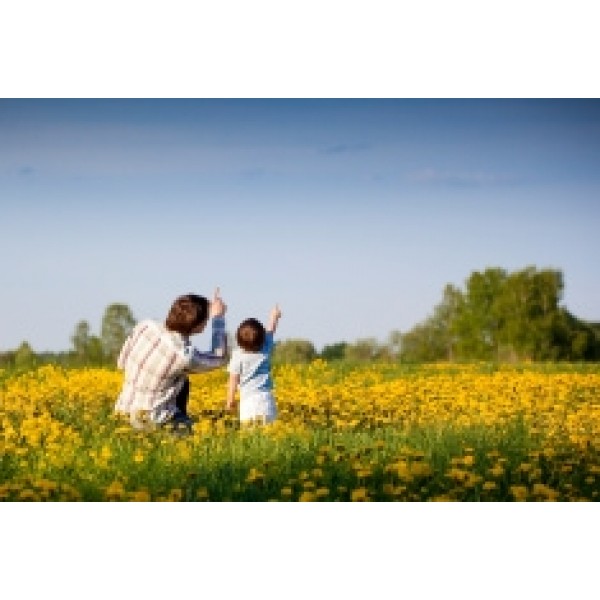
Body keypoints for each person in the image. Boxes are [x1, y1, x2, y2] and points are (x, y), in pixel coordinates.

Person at [115, 289, 228, 430]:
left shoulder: (145, 326)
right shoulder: (183, 355)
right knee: (202, 434)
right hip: (149, 420)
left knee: (182, 380)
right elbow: (219, 358)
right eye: (206, 320)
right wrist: (218, 318)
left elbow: (122, 362)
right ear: (198, 325)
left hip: (122, 412)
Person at [225, 304, 282, 425]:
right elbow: (271, 331)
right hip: (266, 398)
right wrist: (274, 316)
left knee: (249, 433)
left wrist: (230, 400)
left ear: (238, 340)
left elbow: (233, 379)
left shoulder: (237, 356)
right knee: (269, 431)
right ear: (262, 339)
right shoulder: (265, 349)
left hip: (248, 401)